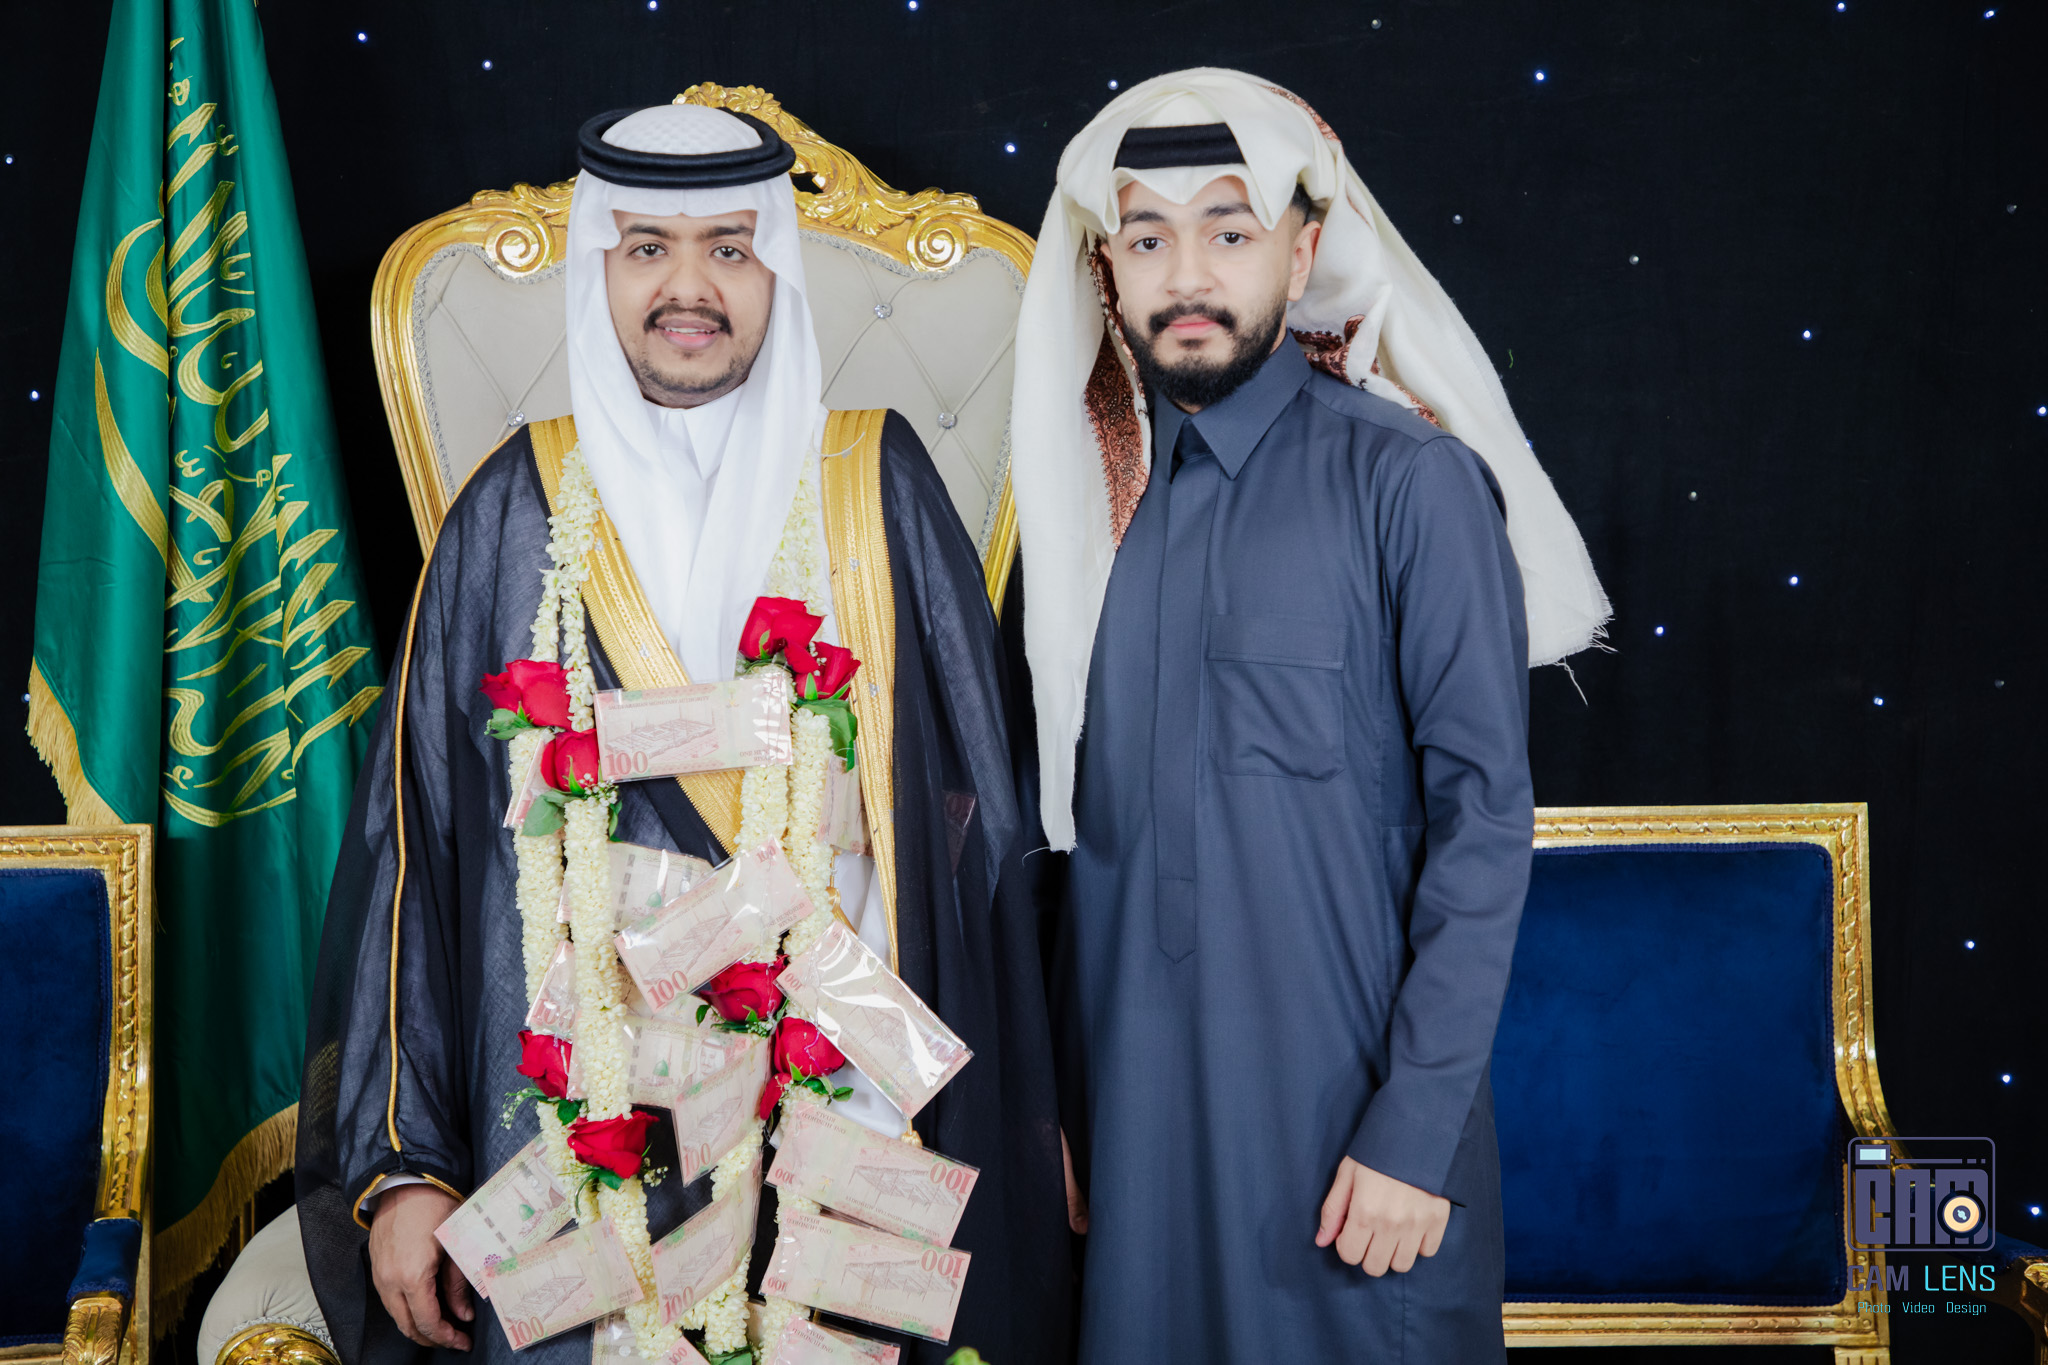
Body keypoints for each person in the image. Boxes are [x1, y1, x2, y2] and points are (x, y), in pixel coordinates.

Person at [297, 102, 1069, 1365]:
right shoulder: (509, 509)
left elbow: (987, 829)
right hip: (575, 1130)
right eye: (647, 248)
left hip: (845, 1123)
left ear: (776, 269)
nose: (688, 288)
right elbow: (416, 857)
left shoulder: (874, 484)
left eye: (728, 247)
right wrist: (406, 1166)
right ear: (599, 269)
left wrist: (1035, 1114)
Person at [1007, 69, 1610, 1361]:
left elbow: (1483, 825)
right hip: (1135, 1160)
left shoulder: (1412, 484)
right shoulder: (1080, 532)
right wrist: (1052, 1115)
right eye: (1147, 238)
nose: (1187, 275)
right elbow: (1058, 852)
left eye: (1228, 231)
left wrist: (1414, 1134)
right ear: (1106, 268)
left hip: (1350, 1164)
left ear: (1303, 250)